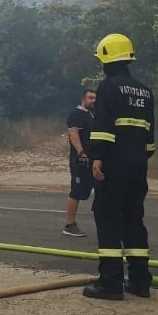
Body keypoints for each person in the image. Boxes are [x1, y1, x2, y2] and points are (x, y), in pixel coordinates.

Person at [83, 33, 155, 301]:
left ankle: (110, 284)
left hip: (113, 165)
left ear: (106, 59)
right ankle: (139, 282)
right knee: (134, 221)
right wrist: (139, 159)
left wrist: (97, 157)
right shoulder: (145, 91)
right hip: (138, 166)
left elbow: (102, 127)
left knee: (107, 218)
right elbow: (150, 136)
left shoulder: (108, 87)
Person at [63, 89, 96, 237]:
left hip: (93, 161)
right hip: (80, 161)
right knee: (76, 192)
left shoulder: (92, 115)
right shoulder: (76, 114)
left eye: (95, 98)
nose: (93, 100)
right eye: (90, 97)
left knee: (89, 191)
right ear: (83, 99)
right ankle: (69, 225)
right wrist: (81, 152)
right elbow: (73, 134)